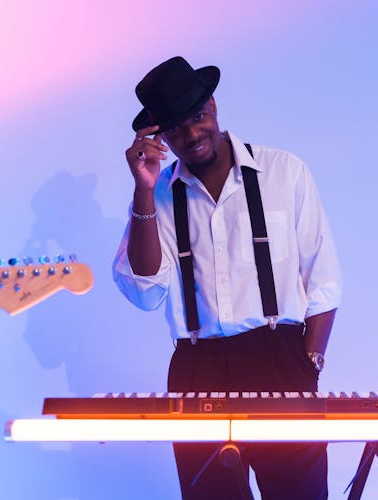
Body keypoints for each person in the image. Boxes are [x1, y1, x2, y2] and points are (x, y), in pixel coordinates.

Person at [112, 56, 342, 499]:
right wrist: (143, 188)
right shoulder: (157, 193)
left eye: (197, 117)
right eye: (175, 127)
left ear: (213, 107)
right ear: (159, 135)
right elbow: (144, 292)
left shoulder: (284, 172)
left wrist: (307, 366)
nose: (192, 133)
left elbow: (324, 280)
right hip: (198, 367)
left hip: (280, 361)